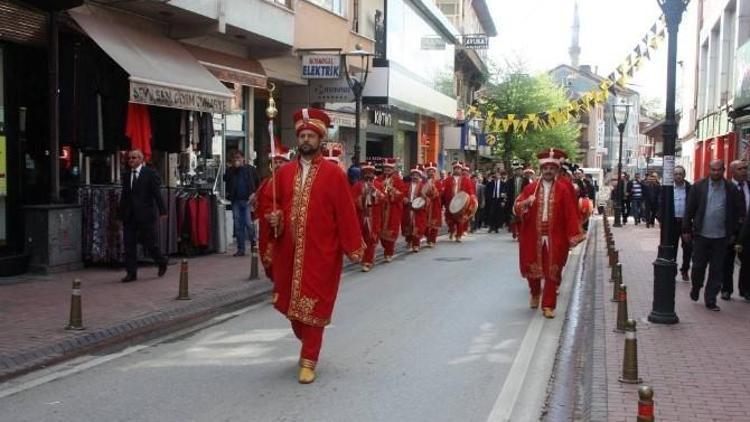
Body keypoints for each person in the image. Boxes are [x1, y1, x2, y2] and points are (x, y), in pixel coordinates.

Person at [264, 108, 364, 383]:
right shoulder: (283, 173)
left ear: (320, 139)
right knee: (294, 310)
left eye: (311, 135)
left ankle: (309, 358)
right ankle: (305, 341)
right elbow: (274, 206)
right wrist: (276, 219)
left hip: (322, 253)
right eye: (302, 135)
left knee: (315, 306)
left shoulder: (333, 174)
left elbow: (345, 212)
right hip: (289, 251)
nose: (306, 139)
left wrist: (354, 246)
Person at [513, 148, 584, 319]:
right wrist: (525, 204)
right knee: (532, 267)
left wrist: (574, 234)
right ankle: (535, 293)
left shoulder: (563, 189)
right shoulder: (531, 188)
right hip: (533, 235)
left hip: (555, 237)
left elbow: (570, 214)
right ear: (541, 170)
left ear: (556, 170)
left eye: (552, 168)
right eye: (546, 168)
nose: (548, 171)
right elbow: (516, 208)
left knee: (553, 270)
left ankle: (548, 305)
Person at [682, 159, 745, 311]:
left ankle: (710, 299)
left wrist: (734, 232)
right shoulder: (699, 187)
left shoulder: (730, 189)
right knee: (698, 266)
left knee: (717, 269)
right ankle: (696, 287)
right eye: (713, 170)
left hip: (721, 237)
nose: (715, 173)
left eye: (718, 170)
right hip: (701, 235)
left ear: (724, 170)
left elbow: (738, 212)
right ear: (709, 170)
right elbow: (689, 209)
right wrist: (686, 230)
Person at [119, 149, 168, 282]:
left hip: (145, 214)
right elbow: (124, 195)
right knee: (129, 244)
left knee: (149, 243)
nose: (131, 160)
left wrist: (162, 211)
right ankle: (131, 273)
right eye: (129, 158)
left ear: (141, 160)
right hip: (130, 215)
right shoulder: (126, 174)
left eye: (134, 158)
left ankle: (161, 261)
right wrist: (120, 214)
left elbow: (156, 193)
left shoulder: (149, 173)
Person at [254, 144, 292, 278]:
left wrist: (280, 215)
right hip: (267, 227)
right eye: (275, 162)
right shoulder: (266, 182)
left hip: (285, 228)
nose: (277, 165)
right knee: (268, 260)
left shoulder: (293, 182)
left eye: (280, 162)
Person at [721, 160, 750, 300]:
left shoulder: (748, 186)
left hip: (747, 230)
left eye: (745, 168)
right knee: (727, 260)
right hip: (731, 230)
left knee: (747, 261)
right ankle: (726, 289)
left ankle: (745, 289)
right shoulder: (726, 187)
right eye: (740, 169)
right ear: (732, 171)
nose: (744, 171)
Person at [224, 150, 261, 257]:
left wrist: (254, 194)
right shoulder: (231, 170)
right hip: (235, 200)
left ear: (243, 158)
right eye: (235, 158)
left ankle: (253, 242)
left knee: (248, 223)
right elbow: (226, 179)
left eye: (238, 158)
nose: (237, 160)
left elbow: (258, 182)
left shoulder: (250, 169)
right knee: (238, 225)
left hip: (247, 200)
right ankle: (241, 249)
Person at [351, 162, 384, 272]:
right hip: (361, 216)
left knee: (371, 238)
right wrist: (362, 196)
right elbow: (352, 200)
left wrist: (375, 192)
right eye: (366, 172)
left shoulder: (378, 185)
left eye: (370, 172)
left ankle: (367, 261)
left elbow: (384, 199)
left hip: (373, 217)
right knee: (361, 238)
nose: (368, 175)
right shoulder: (357, 185)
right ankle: (363, 257)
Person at [379, 158, 406, 262]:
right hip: (381, 209)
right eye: (385, 169)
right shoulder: (379, 179)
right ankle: (385, 248)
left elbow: (402, 193)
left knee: (391, 231)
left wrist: (392, 190)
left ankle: (389, 253)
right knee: (380, 232)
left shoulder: (398, 180)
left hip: (393, 209)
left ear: (393, 170)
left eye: (389, 169)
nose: (387, 171)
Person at [669, 165, 693, 282]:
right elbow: (661, 204)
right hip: (673, 222)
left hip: (686, 223)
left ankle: (685, 270)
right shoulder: (668, 189)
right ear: (673, 176)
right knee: (672, 248)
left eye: (680, 174)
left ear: (684, 175)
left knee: (688, 248)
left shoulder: (690, 188)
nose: (678, 176)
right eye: (676, 174)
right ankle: (672, 271)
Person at [442, 161, 475, 242]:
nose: (457, 170)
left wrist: (471, 198)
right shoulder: (447, 180)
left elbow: (470, 191)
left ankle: (458, 235)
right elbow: (443, 192)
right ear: (453, 170)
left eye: (459, 169)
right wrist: (442, 203)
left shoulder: (466, 180)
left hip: (461, 204)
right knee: (450, 220)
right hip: (449, 203)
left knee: (460, 221)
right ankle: (452, 231)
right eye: (455, 169)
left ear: (461, 170)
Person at [403, 166, 428, 252]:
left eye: (417, 175)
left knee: (418, 226)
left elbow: (428, 198)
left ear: (420, 176)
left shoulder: (423, 186)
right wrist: (404, 198)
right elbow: (402, 195)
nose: (415, 177)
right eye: (413, 175)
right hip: (408, 208)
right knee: (407, 225)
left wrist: (424, 198)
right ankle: (409, 241)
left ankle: (416, 245)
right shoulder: (406, 185)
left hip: (418, 210)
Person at [423, 162, 443, 247]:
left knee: (434, 224)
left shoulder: (438, 182)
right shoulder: (423, 182)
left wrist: (433, 188)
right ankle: (428, 238)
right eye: (429, 171)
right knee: (424, 224)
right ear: (426, 172)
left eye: (432, 171)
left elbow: (439, 193)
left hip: (435, 205)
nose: (431, 173)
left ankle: (432, 240)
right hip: (425, 205)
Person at [486, 169, 511, 233]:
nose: (497, 176)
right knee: (491, 213)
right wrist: (488, 199)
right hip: (492, 199)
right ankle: (491, 227)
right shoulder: (490, 183)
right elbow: (487, 192)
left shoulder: (503, 184)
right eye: (496, 175)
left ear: (500, 176)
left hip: (499, 200)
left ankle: (496, 227)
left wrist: (503, 201)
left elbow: (505, 193)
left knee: (498, 214)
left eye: (498, 175)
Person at [509, 165, 530, 239]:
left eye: (520, 170)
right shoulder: (511, 180)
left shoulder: (526, 180)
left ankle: (520, 234)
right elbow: (508, 191)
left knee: (521, 217)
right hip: (513, 201)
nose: (519, 171)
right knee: (513, 217)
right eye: (517, 170)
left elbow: (528, 190)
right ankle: (514, 232)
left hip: (522, 201)